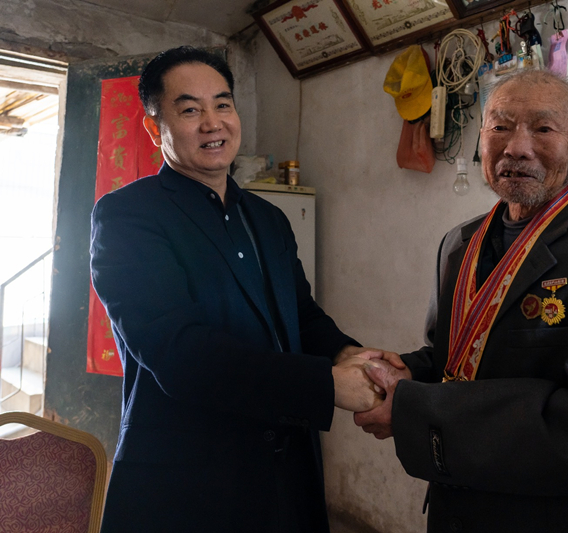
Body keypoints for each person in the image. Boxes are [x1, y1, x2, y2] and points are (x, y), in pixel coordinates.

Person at [355, 69, 568, 532]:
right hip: (466, 507)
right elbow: (457, 358)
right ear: (481, 142)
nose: (516, 147)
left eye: (543, 128)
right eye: (499, 126)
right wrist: (405, 372)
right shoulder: (459, 244)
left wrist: (413, 409)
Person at [90, 46, 393, 533]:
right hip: (187, 483)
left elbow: (301, 315)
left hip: (287, 473)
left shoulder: (268, 218)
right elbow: (180, 353)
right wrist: (326, 384)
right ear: (153, 128)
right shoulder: (128, 216)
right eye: (190, 110)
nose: (213, 123)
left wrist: (350, 355)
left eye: (223, 104)